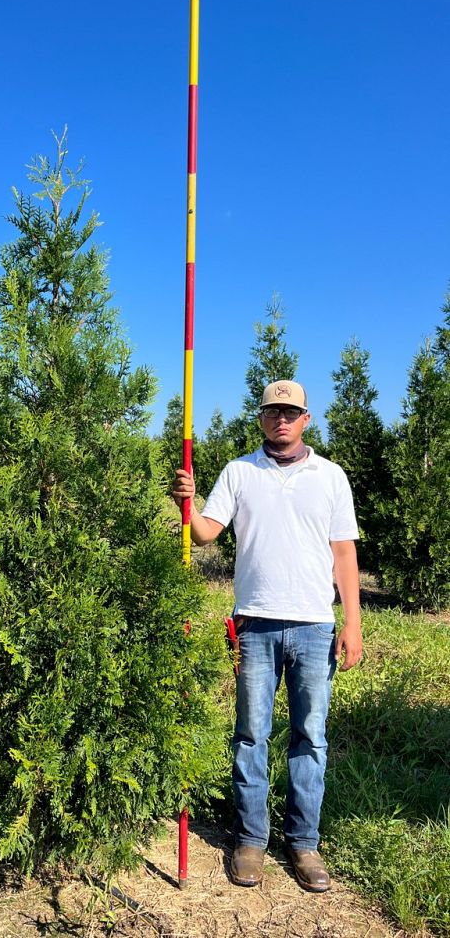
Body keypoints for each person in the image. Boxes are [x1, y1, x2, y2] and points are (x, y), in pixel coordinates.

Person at [172, 380, 362, 893]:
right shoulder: (239, 472)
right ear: (260, 418)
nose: (281, 419)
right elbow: (207, 532)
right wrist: (186, 505)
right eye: (273, 411)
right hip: (253, 624)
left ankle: (304, 843)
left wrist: (353, 622)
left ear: (306, 418)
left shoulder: (330, 477)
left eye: (290, 412)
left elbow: (344, 553)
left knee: (310, 738)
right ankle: (251, 840)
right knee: (251, 735)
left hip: (315, 625)